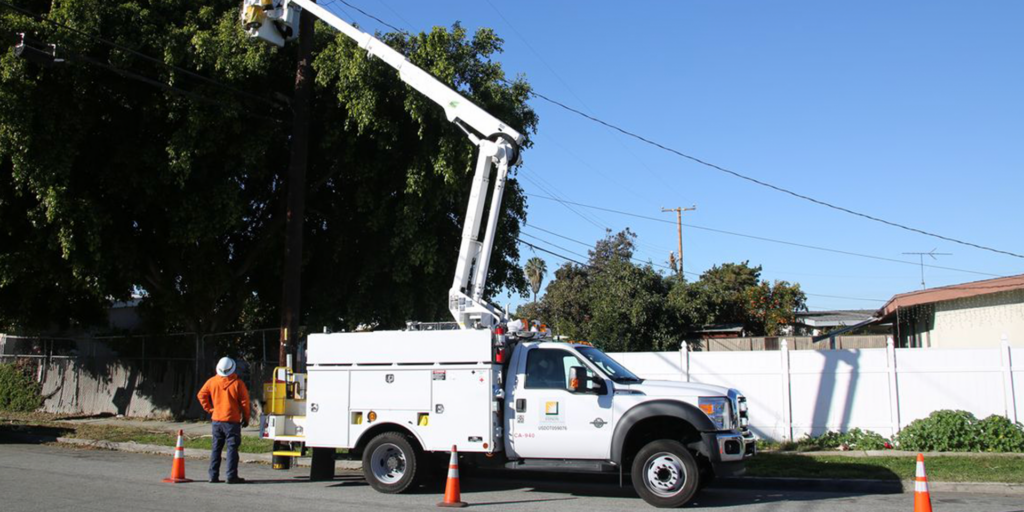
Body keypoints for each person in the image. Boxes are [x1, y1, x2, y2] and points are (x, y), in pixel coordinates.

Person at [197, 357, 250, 484]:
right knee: (232, 449)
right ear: (233, 368)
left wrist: (210, 409)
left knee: (216, 448)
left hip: (216, 420)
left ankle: (213, 476)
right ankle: (231, 476)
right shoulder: (238, 383)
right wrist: (246, 417)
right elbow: (245, 403)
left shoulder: (212, 381)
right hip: (232, 421)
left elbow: (201, 395)